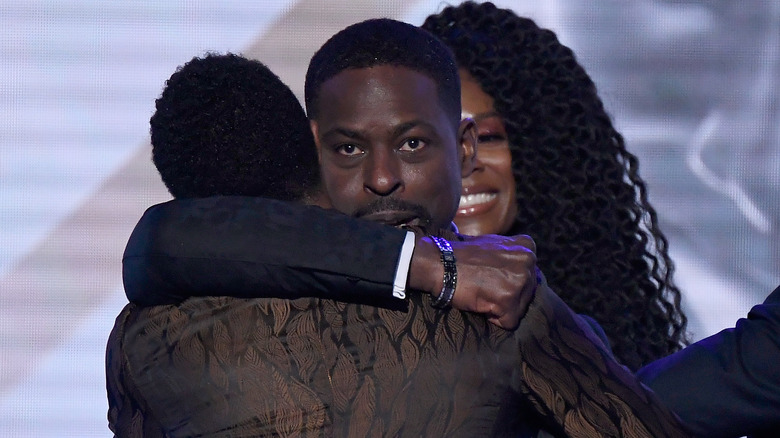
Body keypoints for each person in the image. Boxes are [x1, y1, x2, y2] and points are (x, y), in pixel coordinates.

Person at [110, 21, 691, 437]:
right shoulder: (500, 309)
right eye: (350, 147)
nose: (384, 178)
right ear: (316, 150)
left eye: (411, 144)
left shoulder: (143, 337)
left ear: (459, 148)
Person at [420, 1, 687, 370]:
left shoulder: (596, 333)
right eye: (427, 143)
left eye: (489, 136)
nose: (464, 162)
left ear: (547, 150)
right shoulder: (366, 323)